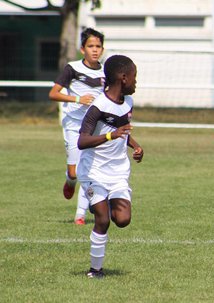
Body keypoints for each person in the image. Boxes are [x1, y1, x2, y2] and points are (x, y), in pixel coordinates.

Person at [77, 55, 143, 278]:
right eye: (134, 77)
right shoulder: (98, 106)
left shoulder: (128, 102)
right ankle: (95, 270)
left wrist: (135, 145)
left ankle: (97, 202)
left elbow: (122, 129)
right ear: (123, 78)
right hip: (93, 172)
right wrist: (109, 135)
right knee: (103, 220)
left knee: (122, 220)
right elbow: (82, 141)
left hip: (117, 172)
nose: (136, 82)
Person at [48, 28, 105, 225]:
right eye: (91, 46)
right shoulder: (72, 68)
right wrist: (78, 99)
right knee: (74, 173)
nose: (95, 50)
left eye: (98, 46)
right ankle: (69, 181)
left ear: (102, 49)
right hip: (73, 123)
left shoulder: (106, 71)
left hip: (93, 127)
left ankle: (80, 215)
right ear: (83, 49)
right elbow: (53, 93)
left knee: (86, 171)